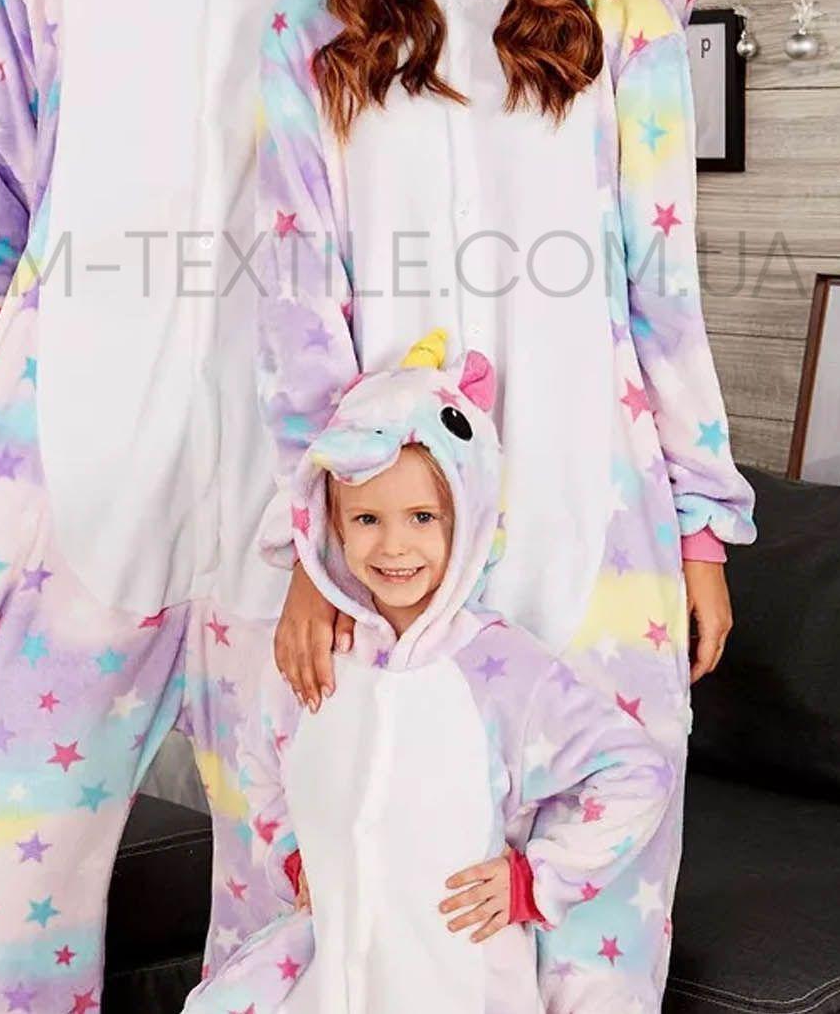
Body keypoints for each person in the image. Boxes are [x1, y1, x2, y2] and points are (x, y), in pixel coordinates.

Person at [0, 0, 674, 1011]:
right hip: (85, 454)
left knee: (289, 875)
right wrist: (1, 382)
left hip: (306, 476)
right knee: (26, 864)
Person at [254, 0, 757, 1009]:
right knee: (396, 921)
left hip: (602, 522)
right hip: (395, 546)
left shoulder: (616, 17)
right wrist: (313, 554)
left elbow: (662, 285)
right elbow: (300, 316)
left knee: (597, 920)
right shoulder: (311, 41)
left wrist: (701, 532)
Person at [183, 333, 674, 1013]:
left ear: (465, 519)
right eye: (367, 518)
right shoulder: (318, 660)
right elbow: (261, 767)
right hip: (336, 979)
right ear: (332, 525)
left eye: (422, 517)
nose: (394, 546)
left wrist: (537, 881)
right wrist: (294, 857)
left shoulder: (502, 672)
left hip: (461, 984)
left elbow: (637, 772)